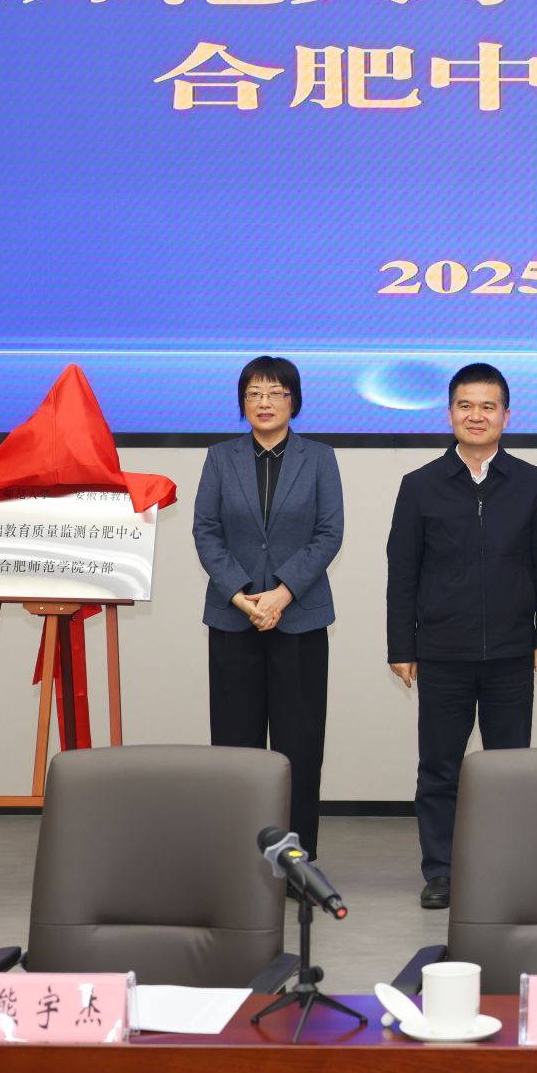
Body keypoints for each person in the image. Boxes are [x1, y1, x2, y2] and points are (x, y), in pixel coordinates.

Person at [387, 364, 537, 909]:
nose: (476, 415)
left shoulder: (532, 482)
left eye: (488, 406)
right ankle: (441, 872)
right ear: (449, 414)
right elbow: (403, 572)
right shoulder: (419, 485)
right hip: (442, 651)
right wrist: (401, 646)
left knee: (509, 770)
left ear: (506, 416)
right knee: (439, 769)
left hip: (512, 651)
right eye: (466, 405)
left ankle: (508, 870)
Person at [192, 356, 344, 858]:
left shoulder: (319, 458)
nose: (264, 402)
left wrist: (282, 592)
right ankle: (239, 859)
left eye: (276, 393)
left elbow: (329, 533)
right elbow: (206, 532)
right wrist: (240, 595)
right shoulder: (220, 458)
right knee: (235, 746)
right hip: (233, 619)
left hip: (299, 619)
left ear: (294, 401)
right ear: (242, 402)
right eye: (254, 393)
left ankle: (296, 860)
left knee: (300, 745)